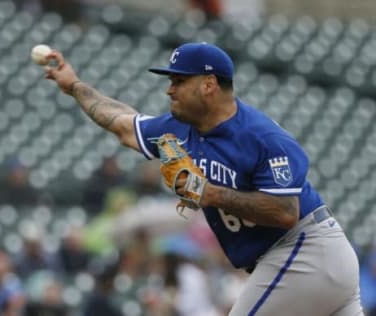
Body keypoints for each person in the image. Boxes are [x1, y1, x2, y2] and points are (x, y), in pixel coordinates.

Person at [43, 42, 363, 315]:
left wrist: (211, 194)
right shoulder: (179, 129)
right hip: (306, 262)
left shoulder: (262, 136)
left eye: (179, 80)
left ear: (208, 84)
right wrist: (74, 86)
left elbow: (284, 212)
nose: (170, 88)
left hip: (305, 249)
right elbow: (123, 124)